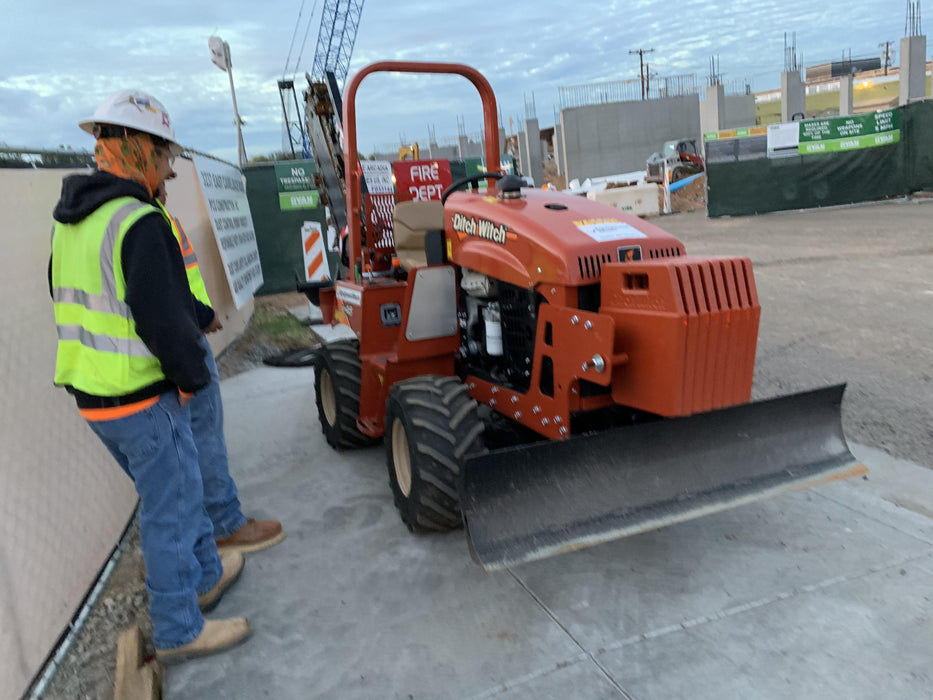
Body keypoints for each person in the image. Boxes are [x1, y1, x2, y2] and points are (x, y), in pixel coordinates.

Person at [49, 89, 248, 663]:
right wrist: (192, 380)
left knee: (177, 496)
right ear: (140, 150)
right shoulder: (138, 219)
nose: (168, 169)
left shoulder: (72, 220)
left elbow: (69, 294)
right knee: (172, 511)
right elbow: (161, 319)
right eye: (164, 156)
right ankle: (179, 627)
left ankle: (205, 576)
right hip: (141, 399)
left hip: (95, 398)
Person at [153, 181, 285, 554]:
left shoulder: (132, 218)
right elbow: (164, 291)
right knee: (203, 432)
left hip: (173, 340)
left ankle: (201, 531)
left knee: (187, 442)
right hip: (184, 338)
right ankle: (223, 525)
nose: (169, 174)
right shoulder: (145, 222)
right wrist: (203, 316)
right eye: (162, 160)